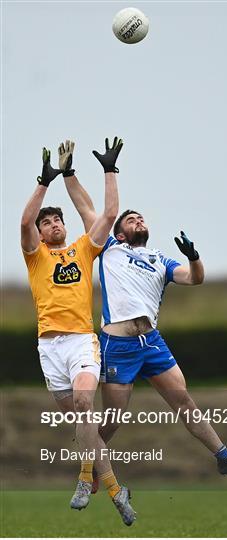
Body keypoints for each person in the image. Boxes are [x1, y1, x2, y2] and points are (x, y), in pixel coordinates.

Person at [64, 144, 227, 488]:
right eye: (131, 219)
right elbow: (86, 207)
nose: (138, 219)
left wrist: (195, 256)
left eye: (141, 217)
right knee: (112, 420)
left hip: (151, 342)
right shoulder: (109, 249)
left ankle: (225, 457)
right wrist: (70, 173)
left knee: (183, 400)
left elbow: (195, 278)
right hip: (118, 345)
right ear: (120, 232)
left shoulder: (160, 259)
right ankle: (91, 465)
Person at [21, 139, 136, 525]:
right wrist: (44, 181)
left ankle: (97, 485)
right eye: (47, 222)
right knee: (84, 426)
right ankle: (110, 487)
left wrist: (109, 169)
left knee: (86, 408)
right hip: (48, 349)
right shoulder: (35, 255)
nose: (54, 225)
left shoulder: (83, 250)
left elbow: (109, 213)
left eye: (58, 220)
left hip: (80, 342)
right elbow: (23, 223)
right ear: (40, 233)